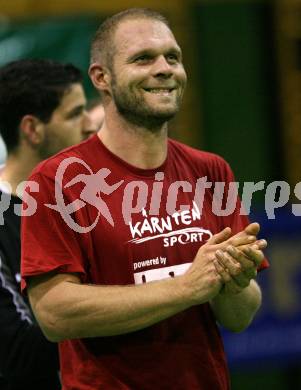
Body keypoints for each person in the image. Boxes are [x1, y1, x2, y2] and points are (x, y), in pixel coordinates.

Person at [21, 9, 269, 390]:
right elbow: (54, 315)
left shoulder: (210, 170)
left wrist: (234, 283)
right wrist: (186, 288)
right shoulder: (56, 181)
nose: (165, 68)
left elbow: (239, 316)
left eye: (173, 57)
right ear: (101, 78)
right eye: (143, 58)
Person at [0, 58, 93, 390]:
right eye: (73, 114)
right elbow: (15, 350)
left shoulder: (85, 206)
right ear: (32, 129)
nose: (88, 126)